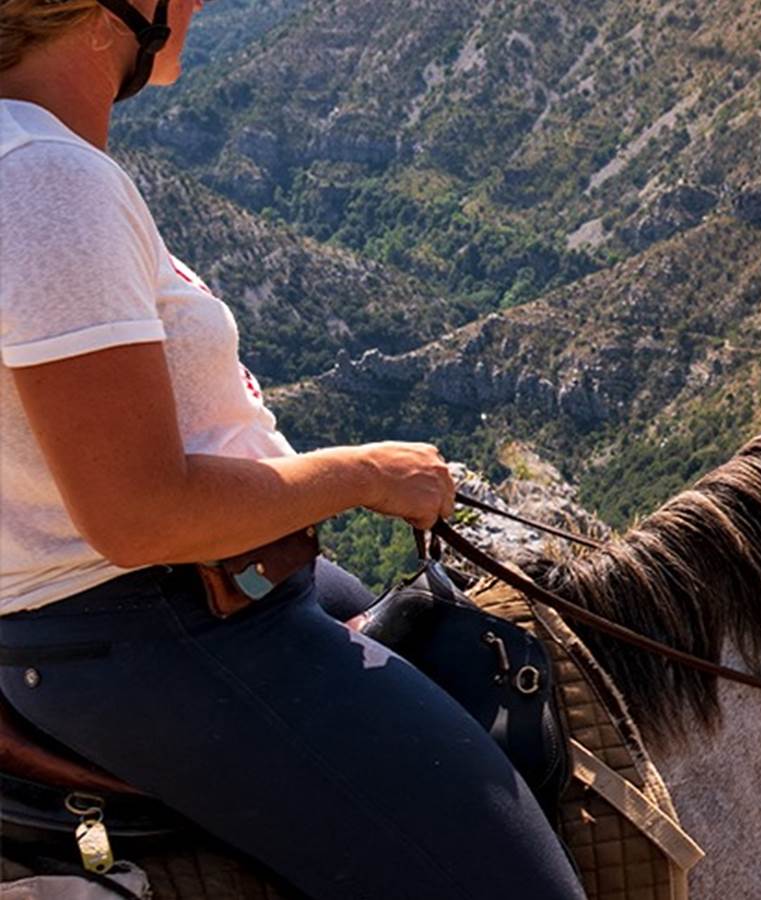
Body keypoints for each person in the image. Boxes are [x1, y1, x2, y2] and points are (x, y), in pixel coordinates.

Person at [0, 1, 586, 896]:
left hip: (182, 602)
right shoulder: (46, 178)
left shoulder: (34, 157)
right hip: (159, 626)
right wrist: (359, 473)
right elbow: (139, 514)